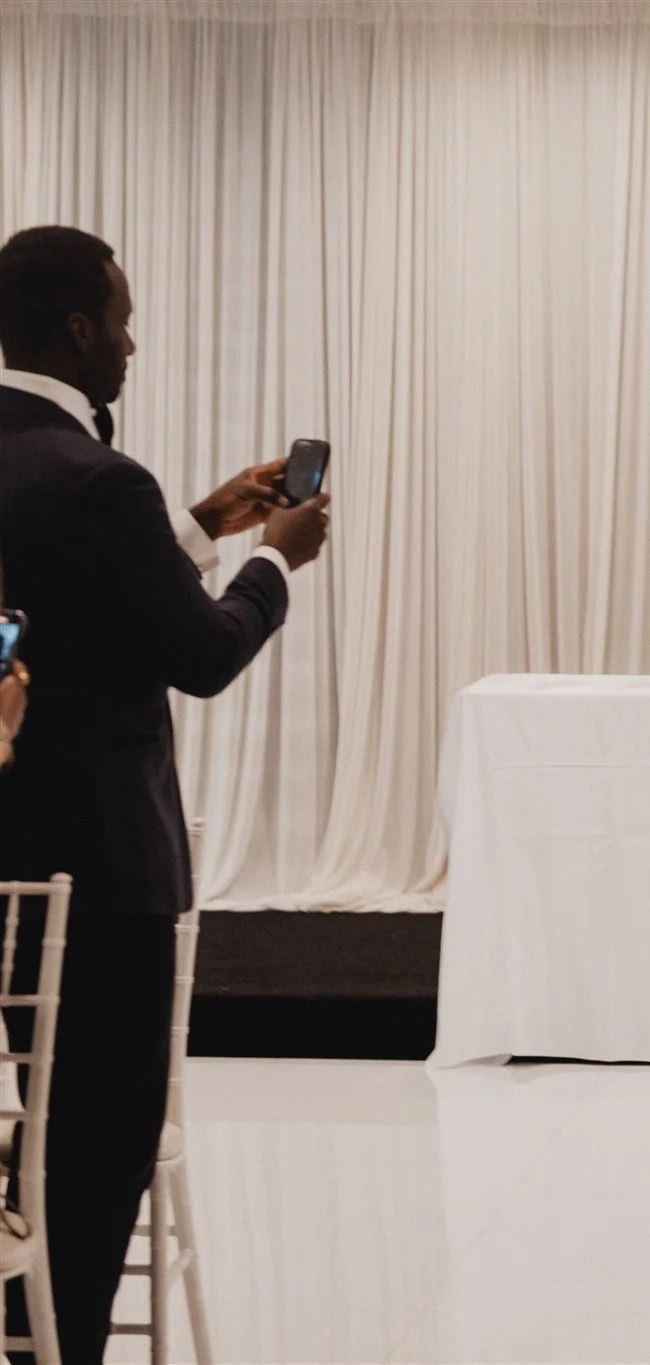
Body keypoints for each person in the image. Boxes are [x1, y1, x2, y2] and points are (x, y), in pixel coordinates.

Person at [0, 225, 330, 1364]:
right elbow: (197, 653)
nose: (133, 345)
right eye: (124, 320)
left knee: (17, 1137)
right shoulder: (99, 479)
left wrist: (196, 525)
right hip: (101, 879)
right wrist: (275, 557)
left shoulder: (69, 479)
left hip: (4, 871)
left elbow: (79, 601)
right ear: (79, 328)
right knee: (94, 1151)